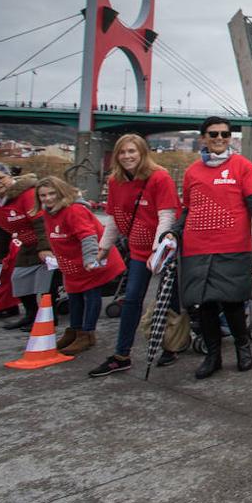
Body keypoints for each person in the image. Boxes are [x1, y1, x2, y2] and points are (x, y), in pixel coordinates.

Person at [162, 117, 252, 379]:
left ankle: (242, 347)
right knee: (203, 305)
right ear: (203, 137)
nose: (219, 138)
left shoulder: (242, 166)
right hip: (196, 248)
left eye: (225, 134)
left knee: (233, 302)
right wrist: (172, 232)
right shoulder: (193, 172)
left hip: (232, 246)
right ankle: (213, 356)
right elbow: (188, 210)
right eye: (213, 134)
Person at [87, 134, 179, 377]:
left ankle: (172, 345)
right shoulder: (115, 181)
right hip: (139, 250)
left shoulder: (159, 178)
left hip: (164, 248)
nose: (127, 156)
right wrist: (104, 247)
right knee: (131, 299)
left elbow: (167, 217)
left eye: (132, 151)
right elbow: (114, 217)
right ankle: (122, 354)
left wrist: (157, 253)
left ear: (142, 153)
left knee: (169, 300)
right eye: (122, 152)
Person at [36, 176, 125, 356]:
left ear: (61, 192)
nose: (48, 199)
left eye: (52, 194)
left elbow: (87, 236)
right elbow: (52, 237)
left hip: (90, 259)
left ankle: (87, 333)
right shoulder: (48, 213)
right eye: (43, 195)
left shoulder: (74, 210)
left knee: (91, 294)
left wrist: (90, 259)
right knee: (74, 295)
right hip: (72, 263)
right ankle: (75, 330)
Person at [0, 163, 50, 331]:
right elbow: (0, 233)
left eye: (0, 178)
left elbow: (41, 223)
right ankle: (31, 314)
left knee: (46, 283)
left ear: (9, 176)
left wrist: (45, 249)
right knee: (19, 278)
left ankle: (46, 319)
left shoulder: (27, 194)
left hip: (47, 240)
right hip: (27, 243)